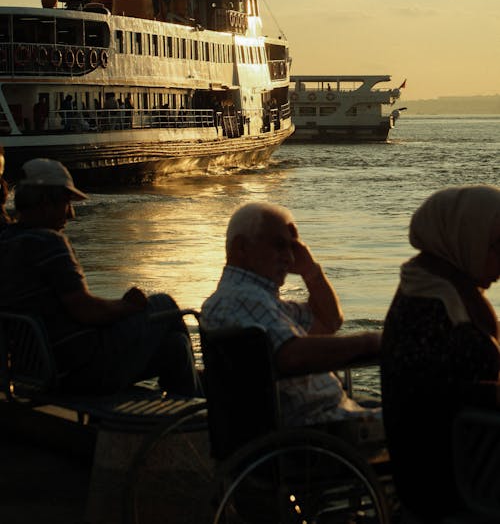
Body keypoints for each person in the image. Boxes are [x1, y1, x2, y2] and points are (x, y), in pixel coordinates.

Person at [0, 158, 202, 398]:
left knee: (176, 347)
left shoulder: (6, 240)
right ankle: (205, 413)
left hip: (36, 370)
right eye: (66, 203)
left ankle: (192, 410)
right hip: (81, 370)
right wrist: (126, 306)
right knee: (165, 304)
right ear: (45, 203)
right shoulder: (48, 243)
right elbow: (86, 311)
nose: (72, 214)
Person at [201, 202, 382, 430]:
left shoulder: (258, 300)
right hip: (316, 425)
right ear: (241, 248)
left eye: (291, 248)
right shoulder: (241, 299)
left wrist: (309, 270)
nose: (289, 257)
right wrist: (369, 342)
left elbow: (329, 321)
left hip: (321, 417)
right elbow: (291, 355)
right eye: (279, 246)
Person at [380, 186, 500, 523]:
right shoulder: (433, 310)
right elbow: (476, 391)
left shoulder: (429, 288)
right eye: (498, 247)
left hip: (454, 471)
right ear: (465, 239)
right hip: (451, 485)